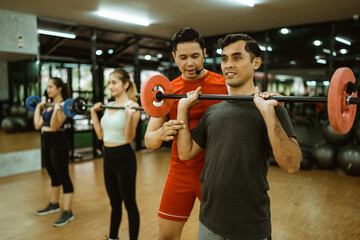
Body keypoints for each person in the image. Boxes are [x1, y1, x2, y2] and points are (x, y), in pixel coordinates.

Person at [176, 33, 302, 240]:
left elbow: (291, 165)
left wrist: (268, 113)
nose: (228, 65)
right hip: (208, 221)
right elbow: (185, 152)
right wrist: (183, 108)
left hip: (249, 226)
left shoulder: (272, 109)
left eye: (237, 57)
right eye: (225, 59)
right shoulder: (213, 112)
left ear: (256, 62)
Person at [144, 27, 228, 240]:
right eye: (183, 57)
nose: (189, 63)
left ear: (204, 53)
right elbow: (149, 141)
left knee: (223, 235)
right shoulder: (168, 91)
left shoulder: (224, 86)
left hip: (214, 173)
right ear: (174, 57)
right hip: (180, 172)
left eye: (195, 56)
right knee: (166, 237)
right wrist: (161, 132)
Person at [91, 68, 140, 240]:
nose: (110, 86)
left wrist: (128, 117)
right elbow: (100, 135)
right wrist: (93, 114)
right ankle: (113, 237)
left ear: (125, 84)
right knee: (114, 204)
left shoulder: (133, 107)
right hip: (108, 158)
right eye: (109, 83)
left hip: (124, 158)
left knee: (129, 204)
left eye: (114, 82)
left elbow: (128, 138)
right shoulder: (108, 105)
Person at [34, 77, 75, 227]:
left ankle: (68, 211)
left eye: (51, 87)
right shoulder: (49, 105)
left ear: (59, 88)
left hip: (58, 141)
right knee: (52, 172)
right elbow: (38, 125)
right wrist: (38, 108)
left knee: (63, 174)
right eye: (47, 87)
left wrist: (57, 110)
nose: (48, 90)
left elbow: (55, 126)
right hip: (46, 140)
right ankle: (54, 203)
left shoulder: (66, 105)